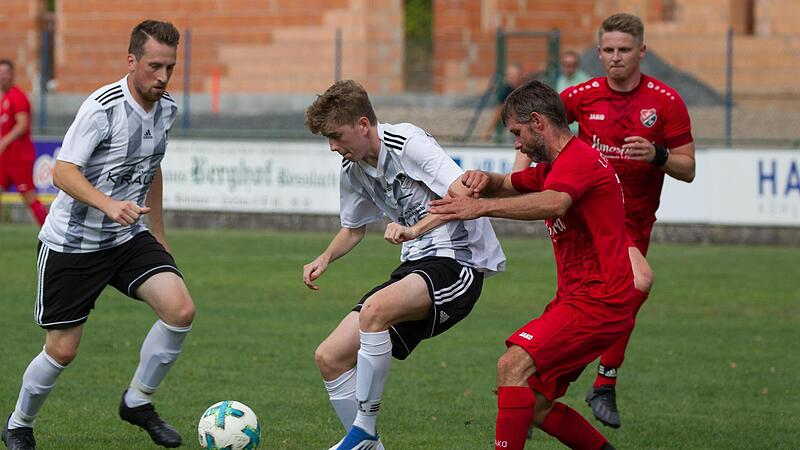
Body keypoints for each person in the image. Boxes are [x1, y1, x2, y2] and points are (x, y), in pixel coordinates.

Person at [1, 20, 194, 450]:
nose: (163, 77)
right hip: (73, 244)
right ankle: (19, 423)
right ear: (131, 61)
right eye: (155, 66)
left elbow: (152, 166)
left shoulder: (167, 109)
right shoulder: (102, 108)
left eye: (170, 67)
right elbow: (63, 171)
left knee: (180, 310)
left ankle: (137, 401)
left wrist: (159, 233)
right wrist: (108, 205)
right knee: (62, 350)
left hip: (127, 239)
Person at [429, 79, 644, 450]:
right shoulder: (554, 167)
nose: (516, 144)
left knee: (511, 366)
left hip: (599, 299)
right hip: (582, 299)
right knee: (536, 402)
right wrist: (484, 179)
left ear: (537, 122)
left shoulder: (578, 160)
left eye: (517, 133)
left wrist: (479, 207)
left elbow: (555, 203)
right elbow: (507, 183)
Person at [513, 13, 695, 429]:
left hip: (635, 222)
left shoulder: (665, 101)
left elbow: (688, 168)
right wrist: (523, 178)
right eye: (609, 50)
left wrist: (658, 156)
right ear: (598, 53)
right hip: (592, 216)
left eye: (624, 50)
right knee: (635, 282)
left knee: (594, 300)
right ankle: (603, 381)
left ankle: (549, 384)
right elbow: (531, 127)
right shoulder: (582, 95)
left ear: (641, 51)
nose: (616, 57)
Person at [304, 79, 506, 450]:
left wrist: (415, 230)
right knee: (330, 356)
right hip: (414, 268)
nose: (332, 146)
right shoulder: (352, 169)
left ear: (363, 125)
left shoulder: (407, 142)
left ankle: (364, 429)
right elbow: (354, 229)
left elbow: (463, 192)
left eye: (336, 135)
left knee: (374, 311)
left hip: (458, 261)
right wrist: (324, 257)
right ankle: (369, 444)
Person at [0, 59, 48, 226]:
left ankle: (49, 229)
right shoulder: (4, 98)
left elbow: (22, 125)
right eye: (0, 73)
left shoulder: (17, 96)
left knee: (29, 196)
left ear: (12, 75)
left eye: (6, 73)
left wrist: (4, 142)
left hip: (19, 157)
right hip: (5, 158)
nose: (3, 77)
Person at [482, 64, 525, 142]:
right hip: (516, 127)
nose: (512, 78)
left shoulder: (528, 89)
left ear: (520, 75)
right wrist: (489, 130)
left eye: (515, 75)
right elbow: (499, 111)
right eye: (510, 76)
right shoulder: (507, 91)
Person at [554, 50, 590, 135]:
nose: (568, 67)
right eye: (565, 64)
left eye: (572, 64)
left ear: (577, 65)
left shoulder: (586, 81)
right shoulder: (560, 80)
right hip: (565, 127)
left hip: (580, 128)